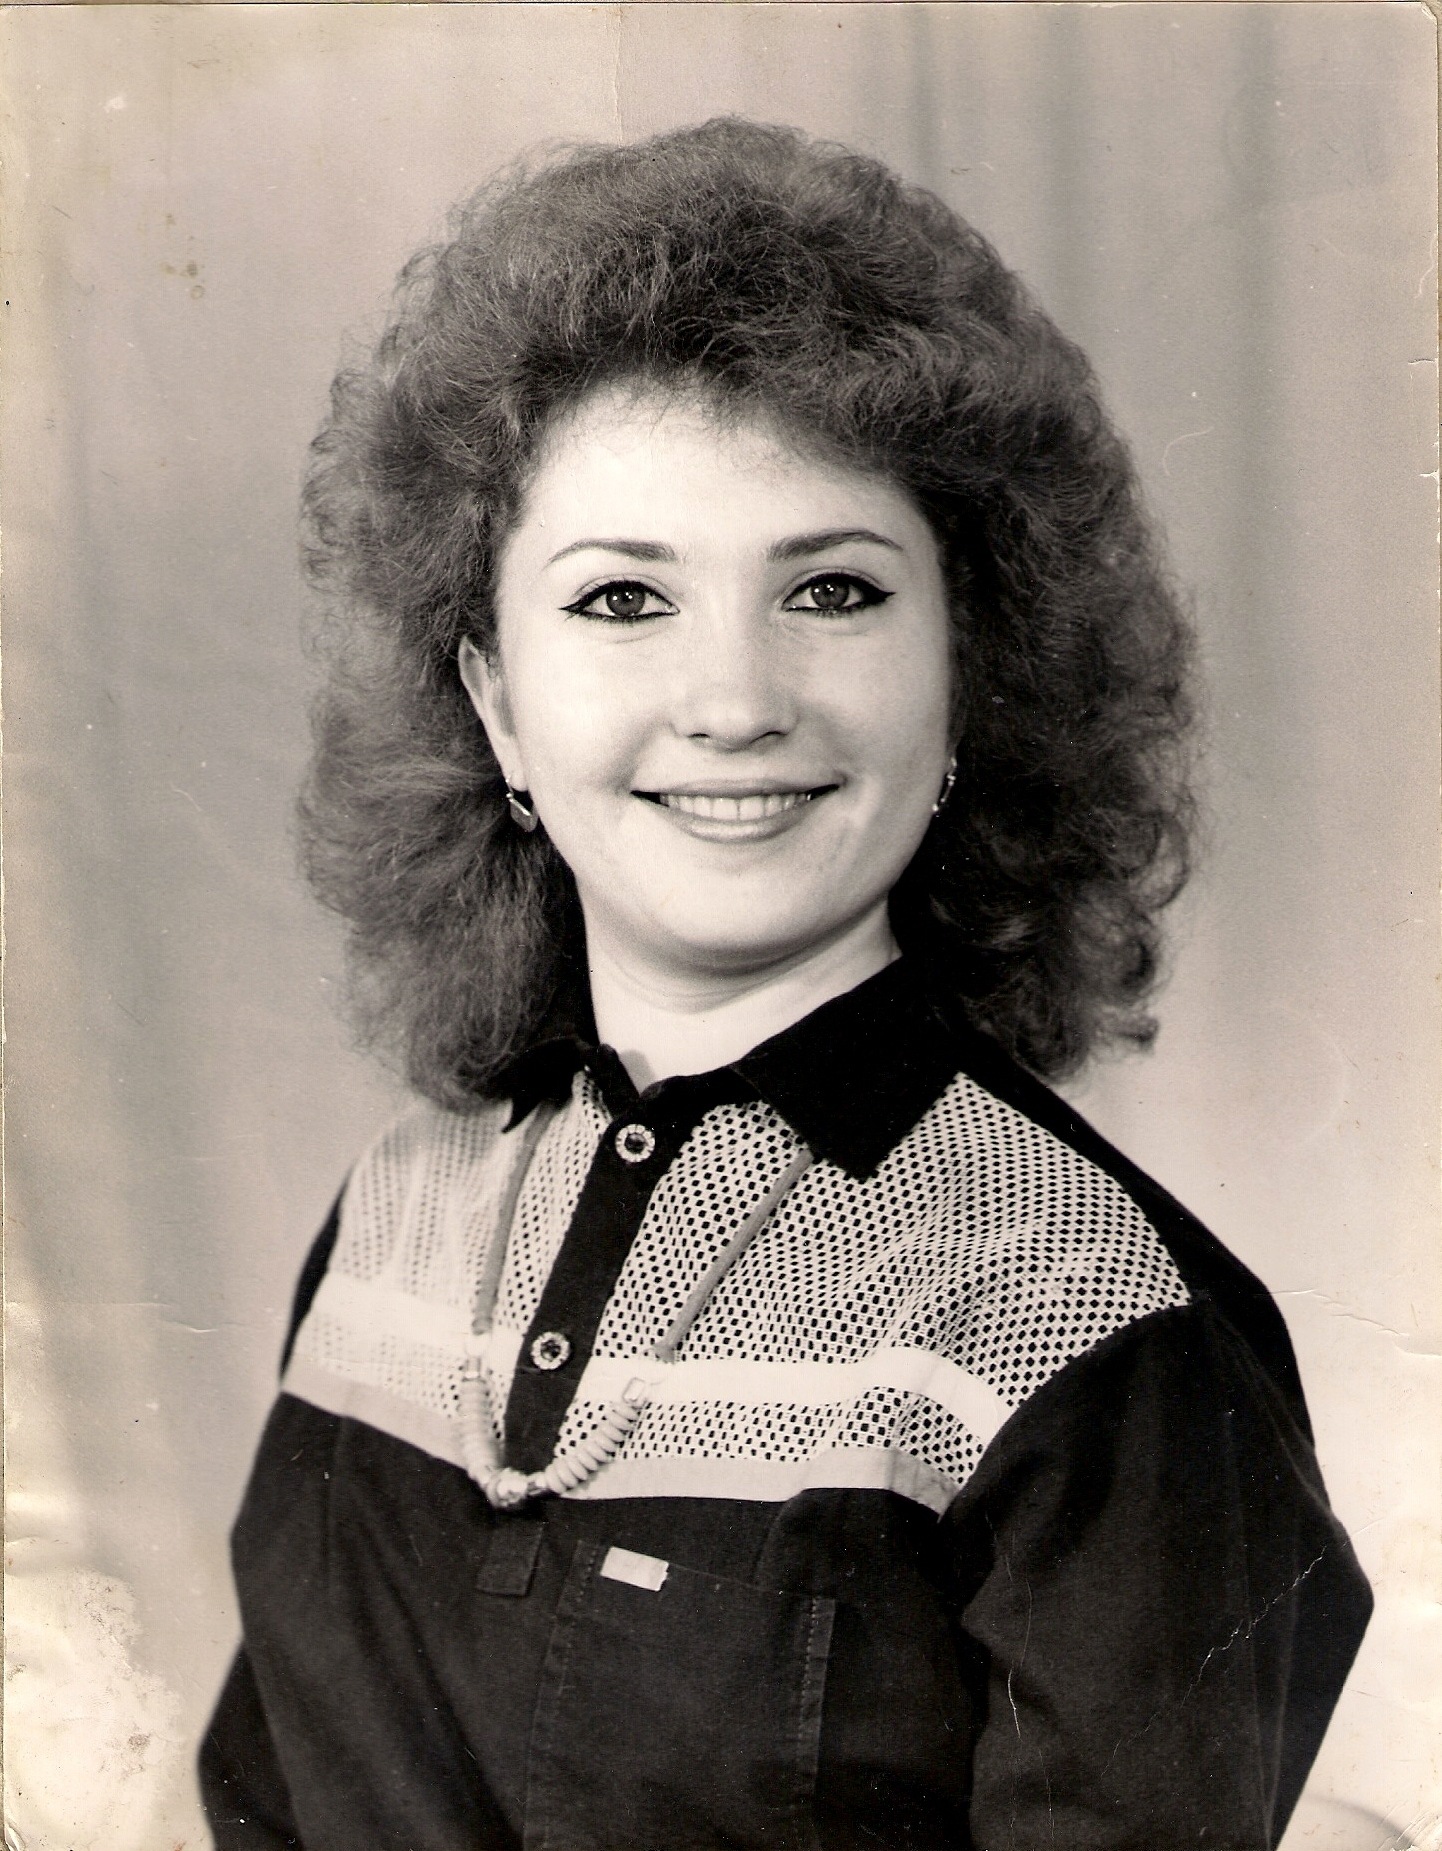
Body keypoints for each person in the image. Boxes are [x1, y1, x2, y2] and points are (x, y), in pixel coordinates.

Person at [200, 119, 1371, 1850]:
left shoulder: (1097, 1318)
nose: (736, 702)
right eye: (621, 600)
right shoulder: (390, 1220)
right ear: (496, 705)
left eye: (830, 590)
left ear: (968, 678)